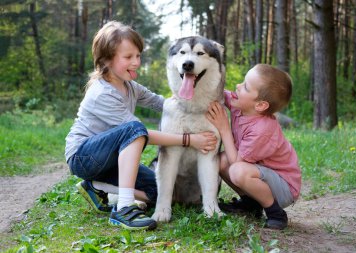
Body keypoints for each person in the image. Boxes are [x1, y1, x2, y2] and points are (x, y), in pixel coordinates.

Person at [65, 21, 217, 231]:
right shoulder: (102, 93)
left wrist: (203, 102)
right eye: (128, 57)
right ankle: (124, 209)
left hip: (109, 160)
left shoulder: (130, 86)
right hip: (84, 157)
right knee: (135, 130)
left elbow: (163, 103)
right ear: (106, 60)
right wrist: (189, 139)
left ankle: (95, 185)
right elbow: (141, 134)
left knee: (161, 192)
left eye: (138, 56)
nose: (136, 62)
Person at [206, 64, 301, 230]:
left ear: (260, 105)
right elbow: (217, 94)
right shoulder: (241, 105)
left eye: (246, 87)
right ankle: (251, 205)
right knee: (220, 161)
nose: (238, 86)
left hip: (284, 187)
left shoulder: (262, 129)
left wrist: (224, 129)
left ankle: (275, 212)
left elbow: (236, 163)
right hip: (260, 174)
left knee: (237, 171)